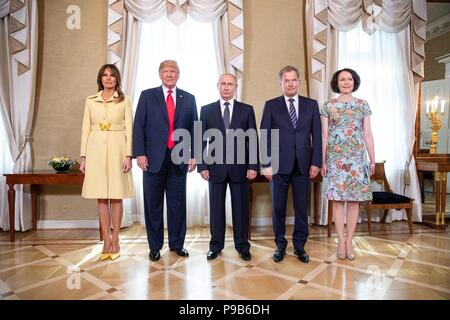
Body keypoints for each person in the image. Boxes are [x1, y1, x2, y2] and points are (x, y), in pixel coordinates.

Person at [133, 60, 198, 261]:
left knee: (177, 204)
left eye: (173, 71)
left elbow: (195, 128)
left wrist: (194, 154)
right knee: (153, 205)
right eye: (166, 71)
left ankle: (177, 244)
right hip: (152, 160)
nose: (169, 75)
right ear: (160, 74)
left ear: (178, 75)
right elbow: (138, 127)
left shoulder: (188, 98)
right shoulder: (147, 96)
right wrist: (140, 154)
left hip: (179, 159)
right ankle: (154, 246)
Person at [260, 65, 322, 263]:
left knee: (301, 208)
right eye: (286, 80)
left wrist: (316, 162)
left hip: (304, 165)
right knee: (278, 207)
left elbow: (317, 136)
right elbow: (265, 136)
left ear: (298, 82)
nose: (290, 83)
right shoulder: (271, 105)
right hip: (278, 165)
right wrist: (266, 163)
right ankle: (280, 244)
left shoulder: (311, 105)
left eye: (293, 80)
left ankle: (299, 245)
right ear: (281, 83)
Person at [198, 73, 258, 261]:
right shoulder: (206, 110)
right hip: (215, 168)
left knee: (241, 208)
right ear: (218, 86)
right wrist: (202, 166)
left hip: (240, 168)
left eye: (230, 84)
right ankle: (215, 245)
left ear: (235, 87)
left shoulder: (247, 110)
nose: (226, 87)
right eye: (223, 84)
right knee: (216, 209)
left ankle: (242, 246)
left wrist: (253, 165)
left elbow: (253, 140)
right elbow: (200, 139)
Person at [80, 64, 134, 261]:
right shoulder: (90, 101)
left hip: (118, 148)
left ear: (117, 79)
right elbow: (85, 128)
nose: (108, 78)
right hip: (95, 149)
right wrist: (83, 156)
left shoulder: (125, 100)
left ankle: (116, 239)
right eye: (105, 75)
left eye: (112, 75)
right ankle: (106, 240)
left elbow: (130, 128)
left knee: (117, 195)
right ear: (100, 79)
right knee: (101, 196)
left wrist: (129, 156)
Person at [321, 68, 375, 261]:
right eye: (342, 79)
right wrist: (323, 160)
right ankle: (340, 241)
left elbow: (367, 133)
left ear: (354, 82)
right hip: (335, 160)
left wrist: (372, 159)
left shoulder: (362, 105)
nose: (346, 82)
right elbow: (324, 135)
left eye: (349, 79)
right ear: (337, 83)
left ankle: (349, 241)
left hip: (357, 159)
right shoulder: (328, 106)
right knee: (336, 200)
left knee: (353, 202)